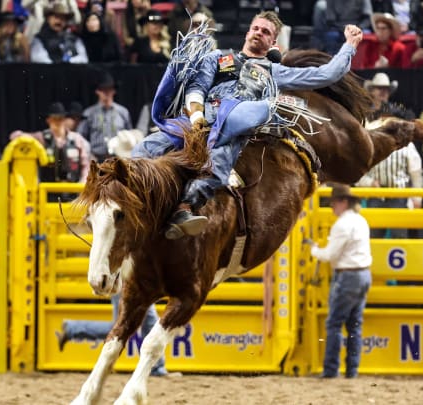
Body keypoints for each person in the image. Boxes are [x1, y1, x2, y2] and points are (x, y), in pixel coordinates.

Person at [134, 11, 363, 240]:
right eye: (256, 29)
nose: (258, 33)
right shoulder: (218, 58)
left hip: (233, 127)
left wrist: (349, 45)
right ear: (248, 32)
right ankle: (124, 188)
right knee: (150, 145)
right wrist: (196, 116)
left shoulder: (275, 72)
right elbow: (198, 86)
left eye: (265, 32)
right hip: (199, 118)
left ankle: (184, 209)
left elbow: (326, 74)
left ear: (272, 42)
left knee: (218, 166)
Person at [308, 183, 372, 378]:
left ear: (343, 202)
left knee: (334, 323)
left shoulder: (342, 225)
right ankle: (352, 370)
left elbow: (330, 255)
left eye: (334, 203)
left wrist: (313, 250)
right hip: (363, 274)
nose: (332, 207)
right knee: (355, 325)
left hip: (348, 276)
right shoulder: (360, 220)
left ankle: (331, 369)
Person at [56, 294, 170, 377]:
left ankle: (156, 367)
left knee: (137, 325)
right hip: (128, 280)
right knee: (122, 329)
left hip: (131, 280)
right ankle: (156, 367)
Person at [12, 102, 92, 183]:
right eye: (54, 119)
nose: (57, 122)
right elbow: (15, 136)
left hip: (72, 189)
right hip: (47, 190)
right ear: (48, 120)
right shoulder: (42, 137)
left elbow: (86, 165)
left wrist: (82, 184)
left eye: (60, 119)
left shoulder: (77, 139)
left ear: (64, 119)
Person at [77, 72, 133, 162]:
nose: (106, 93)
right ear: (97, 91)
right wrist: (89, 155)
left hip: (119, 159)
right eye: (103, 90)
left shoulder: (123, 112)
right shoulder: (89, 113)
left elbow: (129, 136)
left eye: (109, 89)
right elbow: (80, 138)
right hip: (96, 159)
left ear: (114, 91)